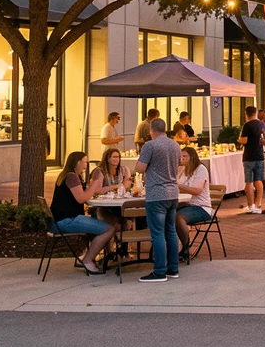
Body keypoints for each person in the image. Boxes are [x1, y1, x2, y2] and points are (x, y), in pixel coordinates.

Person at [49, 151, 115, 275]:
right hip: (66, 220)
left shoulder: (69, 176)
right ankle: (88, 260)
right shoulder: (71, 177)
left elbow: (87, 193)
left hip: (60, 219)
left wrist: (96, 187)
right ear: (77, 162)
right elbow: (82, 198)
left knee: (101, 221)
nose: (86, 165)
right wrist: (95, 182)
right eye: (84, 162)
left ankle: (87, 256)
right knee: (109, 229)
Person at [133, 118, 183, 283]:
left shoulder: (150, 146)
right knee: (171, 231)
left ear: (151, 130)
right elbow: (180, 162)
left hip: (156, 194)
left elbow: (139, 168)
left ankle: (159, 271)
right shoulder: (175, 145)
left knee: (157, 234)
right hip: (173, 193)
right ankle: (173, 268)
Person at [174, 146, 212, 264]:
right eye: (180, 156)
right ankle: (172, 247)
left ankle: (186, 248)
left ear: (192, 157)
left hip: (200, 206)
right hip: (185, 204)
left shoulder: (200, 169)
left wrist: (178, 186)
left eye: (184, 156)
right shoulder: (181, 169)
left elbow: (197, 190)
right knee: (165, 213)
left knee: (178, 218)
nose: (181, 159)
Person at [90, 147, 133, 239]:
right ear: (108, 159)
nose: (117, 159)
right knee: (111, 222)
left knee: (128, 220)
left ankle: (123, 249)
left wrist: (122, 186)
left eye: (118, 157)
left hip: (119, 203)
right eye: (114, 157)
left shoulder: (124, 170)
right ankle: (110, 250)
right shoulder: (100, 171)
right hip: (103, 205)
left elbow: (127, 185)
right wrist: (115, 186)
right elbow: (96, 190)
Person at [238, 105, 265, 214]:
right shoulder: (261, 124)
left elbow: (244, 140)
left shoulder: (247, 125)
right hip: (260, 155)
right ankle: (258, 204)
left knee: (249, 182)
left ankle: (250, 205)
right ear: (256, 112)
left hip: (249, 156)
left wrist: (239, 139)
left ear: (246, 114)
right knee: (258, 180)